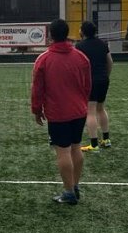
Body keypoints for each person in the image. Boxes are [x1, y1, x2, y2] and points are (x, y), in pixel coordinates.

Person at [32, 19, 92, 205]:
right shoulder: (81, 57)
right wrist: (82, 103)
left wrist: (36, 110)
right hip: (79, 111)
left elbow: (37, 89)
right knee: (76, 147)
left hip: (58, 113)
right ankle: (74, 186)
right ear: (67, 34)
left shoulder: (44, 59)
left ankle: (69, 192)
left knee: (63, 152)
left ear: (50, 35)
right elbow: (87, 85)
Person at [75, 21, 113, 153]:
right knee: (101, 109)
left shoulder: (79, 46)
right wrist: (106, 76)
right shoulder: (103, 44)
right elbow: (110, 62)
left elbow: (77, 66)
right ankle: (106, 140)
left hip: (90, 82)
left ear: (83, 32)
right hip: (103, 80)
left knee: (90, 111)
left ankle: (94, 144)